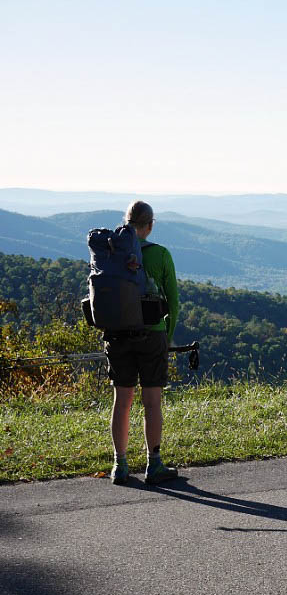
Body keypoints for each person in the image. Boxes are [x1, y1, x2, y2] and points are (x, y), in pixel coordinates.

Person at [106, 200, 181, 485]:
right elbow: (172, 302)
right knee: (152, 402)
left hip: (117, 335)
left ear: (126, 222)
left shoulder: (111, 251)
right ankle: (154, 464)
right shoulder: (161, 255)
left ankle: (120, 465)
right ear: (150, 225)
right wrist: (167, 334)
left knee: (122, 401)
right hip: (152, 334)